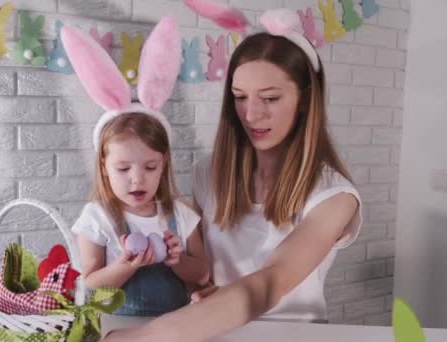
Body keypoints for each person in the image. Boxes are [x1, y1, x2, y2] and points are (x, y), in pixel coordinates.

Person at [103, 3, 362, 340]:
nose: (251, 114)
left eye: (270, 98)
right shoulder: (207, 173)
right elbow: (199, 267)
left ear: (305, 100)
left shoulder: (335, 196)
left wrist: (137, 338)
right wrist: (202, 284)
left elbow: (271, 280)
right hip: (217, 331)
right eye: (240, 97)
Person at [62, 16, 210, 317]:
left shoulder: (180, 215)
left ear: (164, 164)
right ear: (104, 166)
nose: (137, 180)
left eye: (150, 167)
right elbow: (88, 285)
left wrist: (176, 259)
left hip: (174, 329)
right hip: (116, 329)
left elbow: (203, 274)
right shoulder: (98, 217)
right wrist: (122, 267)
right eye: (123, 169)